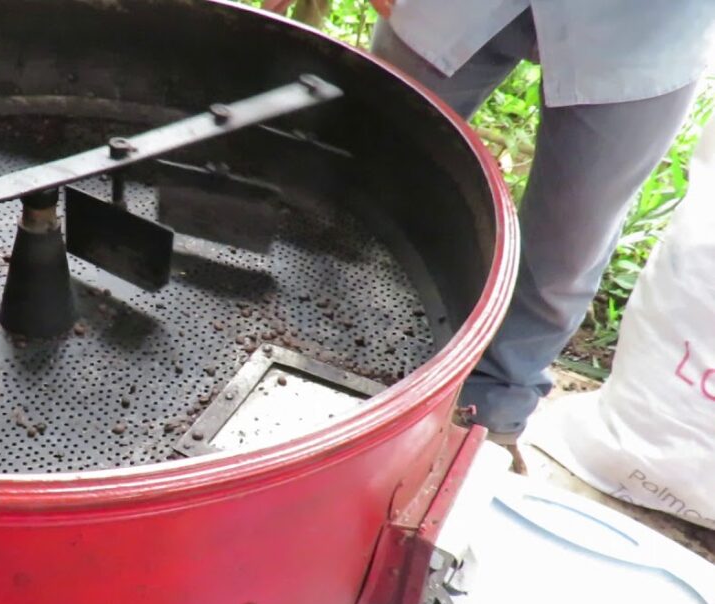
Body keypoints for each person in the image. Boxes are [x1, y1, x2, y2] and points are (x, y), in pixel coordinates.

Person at [264, 0, 715, 472]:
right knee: (366, 174)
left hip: (645, 28)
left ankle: (489, 421)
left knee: (567, 246)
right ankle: (308, 346)